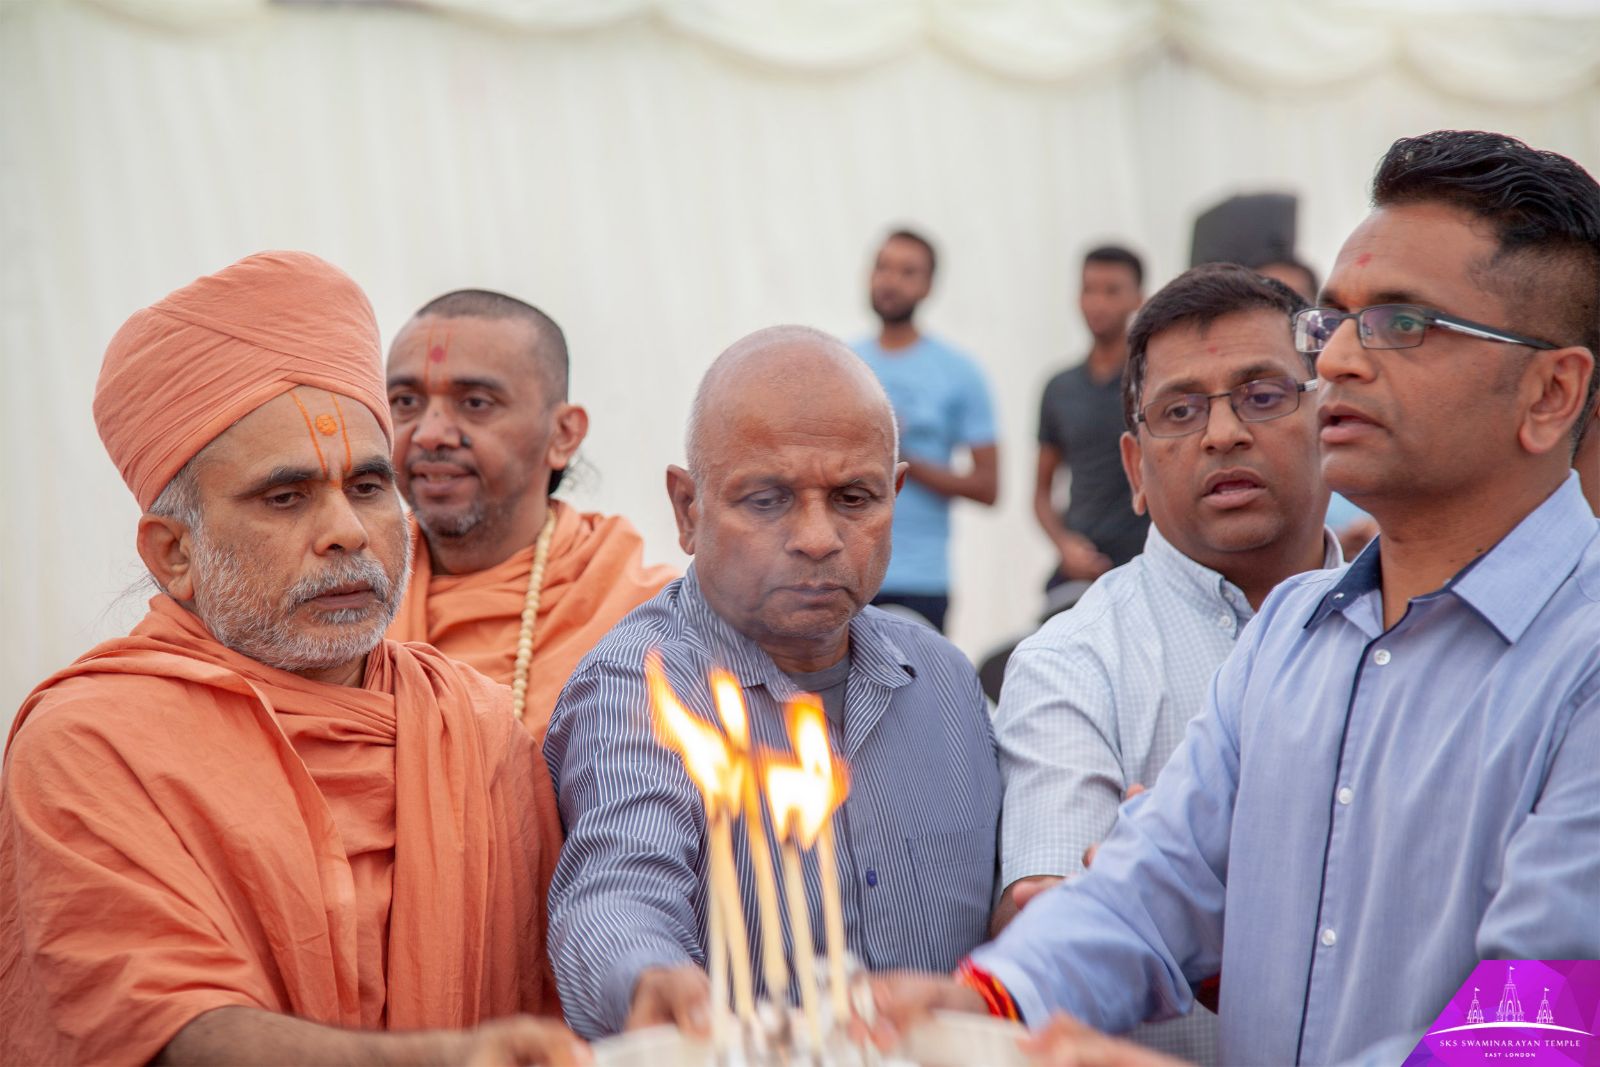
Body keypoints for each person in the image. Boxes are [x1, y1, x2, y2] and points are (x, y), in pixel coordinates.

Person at [868, 130, 1600, 1066]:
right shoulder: (1293, 634)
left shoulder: (1580, 662)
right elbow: (1149, 891)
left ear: (1549, 392)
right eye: (1334, 323)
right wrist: (980, 999)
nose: (1339, 362)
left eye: (1403, 324)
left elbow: (1536, 1028)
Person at [0, 253, 582, 1067]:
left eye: (369, 486)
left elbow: (562, 967)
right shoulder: (90, 742)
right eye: (285, 496)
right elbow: (166, 1025)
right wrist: (444, 1060)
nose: (347, 531)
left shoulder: (472, 722)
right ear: (174, 553)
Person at [544, 326, 1002, 1039]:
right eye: (766, 500)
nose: (817, 537)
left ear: (896, 495)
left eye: (854, 498)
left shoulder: (941, 678)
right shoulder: (641, 686)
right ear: (687, 509)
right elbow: (618, 887)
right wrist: (645, 975)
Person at [994, 264, 1341, 1065]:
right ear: (1134, 469)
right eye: (1180, 411)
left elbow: (1551, 999)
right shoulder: (1072, 663)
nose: (1222, 434)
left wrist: (1185, 886)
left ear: (1331, 417)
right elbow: (1054, 923)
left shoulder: (1420, 631)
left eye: (1263, 395)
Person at [385, 290, 674, 740]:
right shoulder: (343, 594)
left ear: (563, 434)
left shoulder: (650, 620)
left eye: (475, 403)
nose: (430, 433)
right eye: (405, 402)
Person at [851, 229, 999, 632]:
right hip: (844, 573)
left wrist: (899, 457)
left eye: (907, 272)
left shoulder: (958, 371)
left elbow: (988, 487)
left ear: (929, 286)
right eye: (883, 267)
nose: (890, 281)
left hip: (922, 579)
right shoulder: (841, 365)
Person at [1035, 246, 1150, 587]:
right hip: (1081, 566)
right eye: (1089, 290)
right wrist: (1065, 546)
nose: (1099, 303)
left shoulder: (1155, 382)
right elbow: (1041, 494)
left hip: (1145, 562)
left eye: (1112, 291)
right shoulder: (1059, 388)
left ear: (1138, 299)